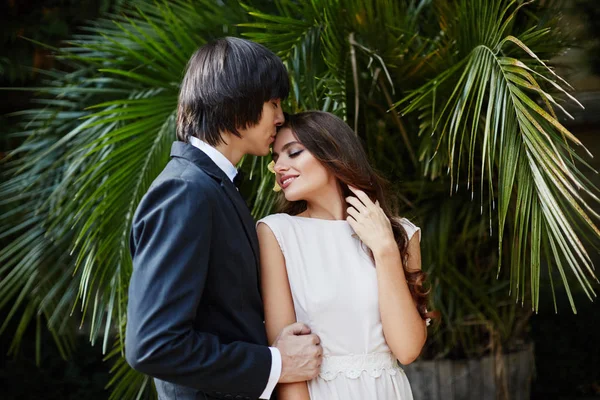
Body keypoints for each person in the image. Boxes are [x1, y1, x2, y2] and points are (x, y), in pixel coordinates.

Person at [125, 38, 323, 400]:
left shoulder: (214, 187)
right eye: (273, 103)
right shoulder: (185, 192)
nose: (280, 118)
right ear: (238, 103)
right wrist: (275, 364)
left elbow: (225, 319)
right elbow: (153, 344)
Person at [257, 111, 435, 400]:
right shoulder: (277, 233)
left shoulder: (402, 233)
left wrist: (385, 249)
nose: (279, 166)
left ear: (331, 152)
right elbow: (289, 362)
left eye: (293, 153)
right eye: (276, 158)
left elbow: (407, 349)